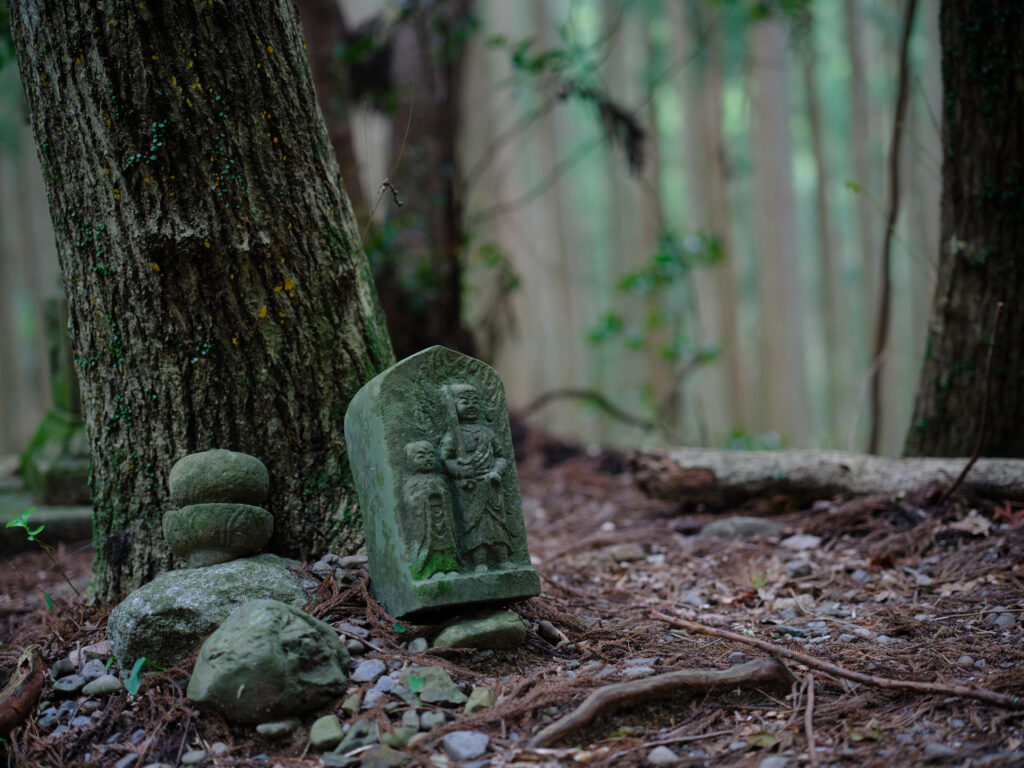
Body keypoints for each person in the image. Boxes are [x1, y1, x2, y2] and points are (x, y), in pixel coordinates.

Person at [439, 383, 512, 571]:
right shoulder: (453, 435)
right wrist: (460, 470)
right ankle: (480, 562)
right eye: (465, 402)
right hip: (469, 489)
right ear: (454, 406)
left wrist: (497, 471)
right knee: (474, 526)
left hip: (490, 485)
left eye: (475, 402)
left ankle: (502, 559)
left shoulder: (487, 433)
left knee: (497, 524)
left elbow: (501, 456)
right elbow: (445, 459)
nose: (471, 406)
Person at [402, 440, 460, 580]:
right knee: (430, 547)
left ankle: (450, 567)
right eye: (421, 456)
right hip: (426, 523)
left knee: (446, 545)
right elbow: (411, 502)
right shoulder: (412, 483)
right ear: (411, 461)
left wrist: (441, 493)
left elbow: (446, 495)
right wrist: (424, 496)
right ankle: (431, 571)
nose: (427, 459)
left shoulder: (439, 479)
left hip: (442, 518)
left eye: (431, 455)